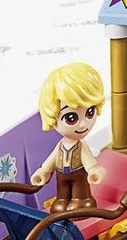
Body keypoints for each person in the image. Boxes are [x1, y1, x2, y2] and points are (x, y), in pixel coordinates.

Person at [31, 63, 107, 213]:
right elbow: (51, 161)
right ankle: (62, 200)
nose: (83, 124)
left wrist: (94, 171)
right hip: (61, 175)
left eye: (90, 112)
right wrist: (43, 172)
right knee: (61, 197)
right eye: (71, 118)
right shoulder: (60, 145)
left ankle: (82, 200)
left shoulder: (81, 146)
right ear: (52, 117)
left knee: (80, 192)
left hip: (79, 174)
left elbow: (90, 164)